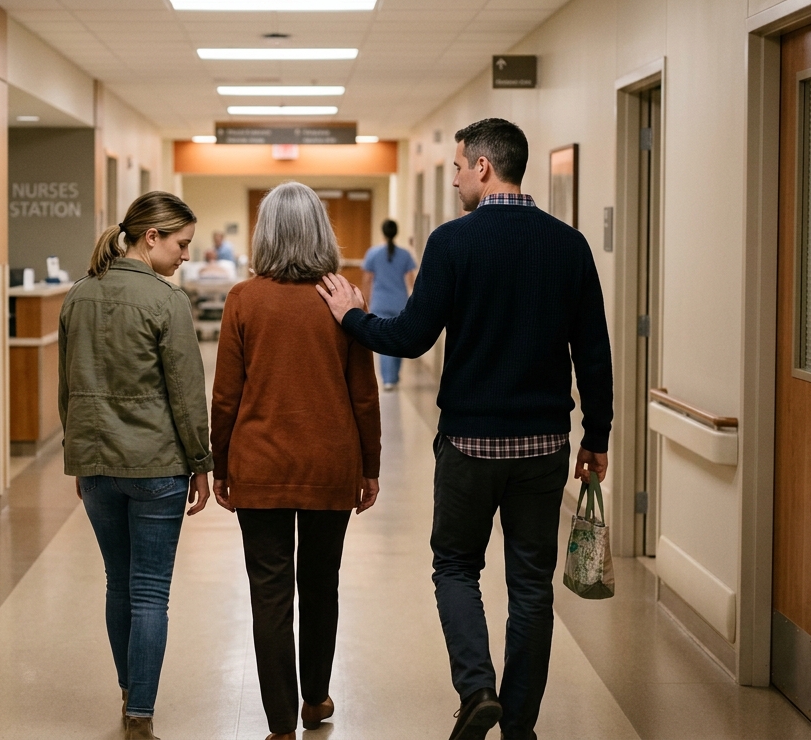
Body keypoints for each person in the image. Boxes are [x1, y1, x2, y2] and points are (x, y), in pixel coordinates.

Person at [316, 118, 613, 740]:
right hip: (543, 447)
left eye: (456, 168)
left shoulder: (452, 244)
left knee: (455, 566)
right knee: (531, 585)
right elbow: (594, 352)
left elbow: (411, 336)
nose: (452, 179)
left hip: (470, 444)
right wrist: (598, 436)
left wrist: (351, 318)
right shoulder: (570, 246)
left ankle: (477, 690)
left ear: (482, 166)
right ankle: (521, 725)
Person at [210, 182, 382, 740]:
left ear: (265, 234)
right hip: (330, 464)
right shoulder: (342, 298)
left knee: (270, 592)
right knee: (321, 583)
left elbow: (226, 396)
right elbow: (363, 393)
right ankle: (315, 698)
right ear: (320, 233)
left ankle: (281, 724)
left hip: (258, 465)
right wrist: (370, 465)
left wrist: (220, 464)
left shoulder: (243, 299)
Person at [58, 191, 213, 740]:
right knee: (150, 591)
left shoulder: (78, 296)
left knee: (118, 583)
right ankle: (140, 712)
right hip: (156, 467)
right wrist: (201, 463)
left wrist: (78, 456)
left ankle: (129, 687)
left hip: (96, 463)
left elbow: (68, 389)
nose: (186, 256)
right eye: (181, 244)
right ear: (152, 237)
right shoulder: (166, 301)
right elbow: (187, 394)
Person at [361, 219, 418, 390]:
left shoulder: (373, 253)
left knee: (384, 340)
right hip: (399, 302)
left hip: (380, 302)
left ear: (383, 232)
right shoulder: (405, 254)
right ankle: (394, 375)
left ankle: (388, 379)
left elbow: (367, 279)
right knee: (398, 339)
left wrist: (366, 301)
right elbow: (411, 280)